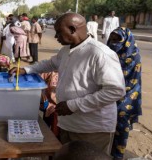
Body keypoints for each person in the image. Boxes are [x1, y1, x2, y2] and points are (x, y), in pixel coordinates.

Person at [9, 13, 125, 155]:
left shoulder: (100, 53)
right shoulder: (67, 50)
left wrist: (73, 105)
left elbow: (115, 91)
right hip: (68, 123)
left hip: (91, 129)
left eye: (58, 32)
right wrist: (26, 70)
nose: (55, 37)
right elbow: (50, 63)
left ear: (72, 29)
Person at [107, 27, 142, 160]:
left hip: (128, 93)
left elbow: (129, 79)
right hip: (109, 92)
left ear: (126, 41)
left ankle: (118, 155)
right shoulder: (107, 52)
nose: (114, 42)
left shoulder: (133, 56)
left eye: (118, 40)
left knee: (121, 123)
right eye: (112, 39)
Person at [40, 71, 59, 137]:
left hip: (64, 107)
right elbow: (39, 79)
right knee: (46, 129)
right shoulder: (51, 72)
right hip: (48, 104)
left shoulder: (69, 73)